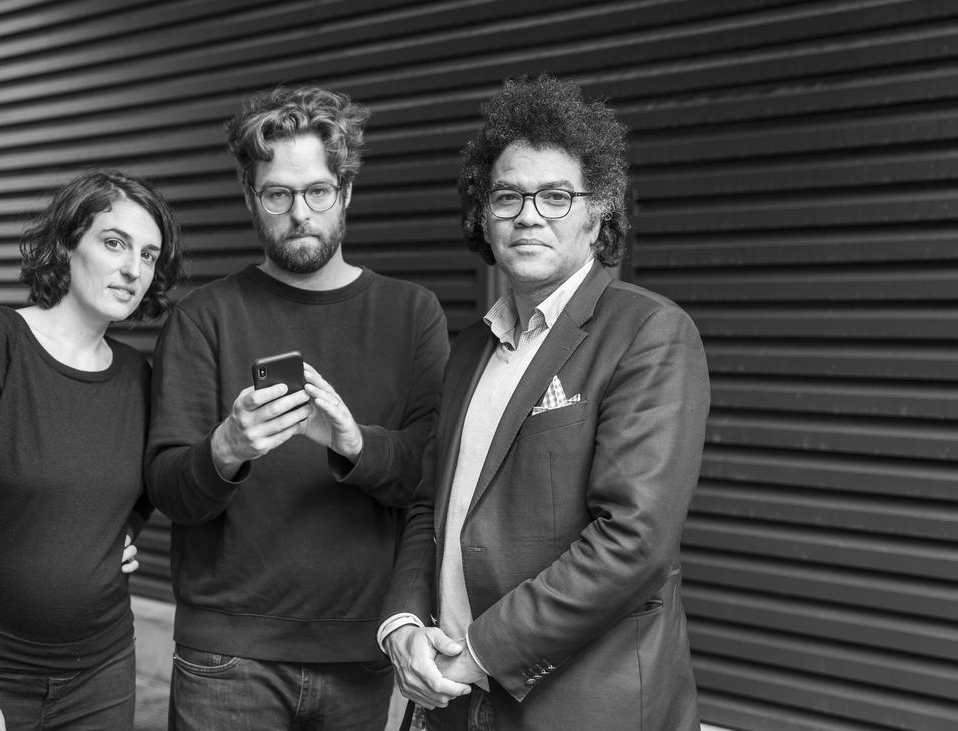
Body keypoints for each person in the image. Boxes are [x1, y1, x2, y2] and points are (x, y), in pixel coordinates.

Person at [379, 73, 710, 730]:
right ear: (485, 215)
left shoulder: (648, 332)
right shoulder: (471, 348)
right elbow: (429, 504)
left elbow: (633, 541)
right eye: (508, 195)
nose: (528, 215)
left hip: (582, 707)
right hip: (452, 702)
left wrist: (479, 651)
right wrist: (404, 622)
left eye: (556, 196)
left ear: (598, 211)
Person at [146, 85, 450, 730]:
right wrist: (227, 448)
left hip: (362, 649)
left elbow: (430, 479)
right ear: (250, 198)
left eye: (317, 191)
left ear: (346, 192)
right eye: (277, 195)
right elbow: (170, 492)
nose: (299, 213)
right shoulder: (203, 318)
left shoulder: (412, 313)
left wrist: (352, 441)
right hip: (228, 654)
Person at [0, 168, 183, 730]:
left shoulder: (137, 376)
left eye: (149, 255)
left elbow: (147, 485)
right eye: (115, 243)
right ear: (67, 244)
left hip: (102, 673)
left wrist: (117, 533)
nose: (134, 269)